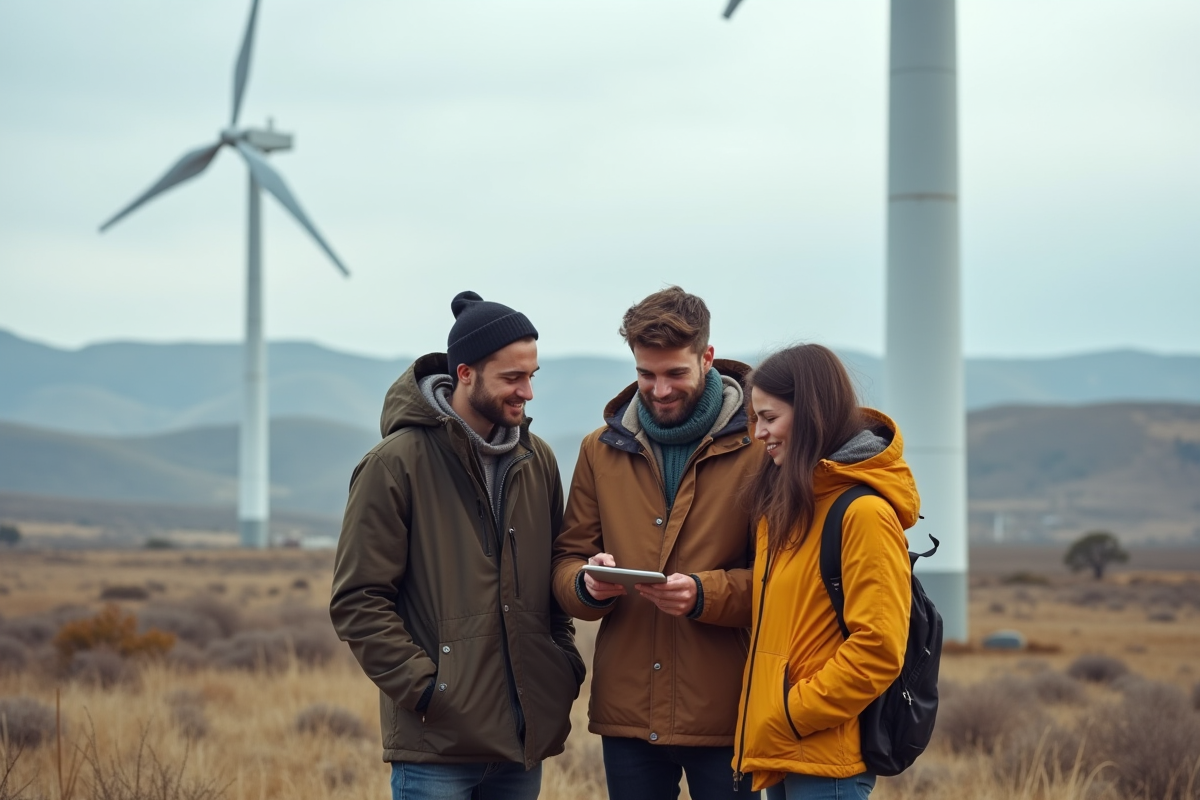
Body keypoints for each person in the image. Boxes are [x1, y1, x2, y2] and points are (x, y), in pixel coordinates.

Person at [330, 290, 585, 800]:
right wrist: (428, 690)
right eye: (512, 378)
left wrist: (563, 663)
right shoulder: (394, 464)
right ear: (465, 373)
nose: (527, 392)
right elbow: (357, 599)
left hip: (521, 741)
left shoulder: (540, 462)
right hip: (435, 745)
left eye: (532, 375)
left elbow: (552, 576)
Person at [551, 286, 761, 800]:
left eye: (675, 374)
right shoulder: (598, 451)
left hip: (730, 714)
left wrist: (704, 594)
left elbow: (785, 580)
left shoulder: (760, 446)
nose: (660, 390)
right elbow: (565, 562)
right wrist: (586, 584)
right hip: (628, 719)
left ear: (707, 358)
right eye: (646, 374)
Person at [731, 344, 918, 799]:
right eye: (755, 419)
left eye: (770, 418)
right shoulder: (792, 508)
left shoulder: (864, 512)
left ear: (812, 412)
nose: (759, 433)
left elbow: (878, 648)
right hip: (784, 754)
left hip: (825, 763)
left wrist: (792, 713)